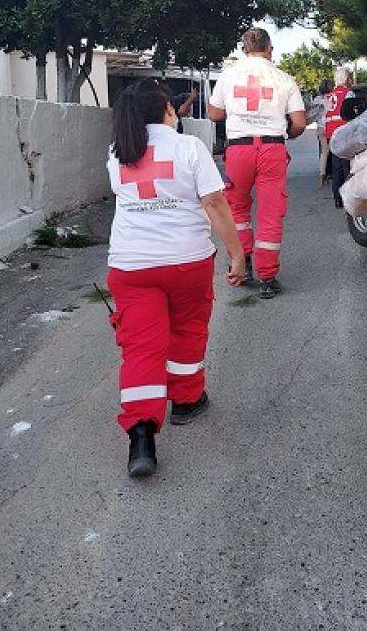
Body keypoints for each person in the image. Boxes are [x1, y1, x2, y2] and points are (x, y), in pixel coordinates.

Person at [106, 80, 246, 478]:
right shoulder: (188, 148)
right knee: (186, 330)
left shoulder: (117, 153)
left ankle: (141, 436)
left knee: (140, 348)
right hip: (186, 262)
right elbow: (215, 203)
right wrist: (237, 253)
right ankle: (186, 400)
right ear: (169, 109)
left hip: (131, 267)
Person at [208, 27, 307, 299]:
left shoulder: (229, 75)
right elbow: (299, 123)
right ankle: (267, 277)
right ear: (270, 48)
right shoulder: (284, 78)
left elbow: (214, 113)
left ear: (243, 50)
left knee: (237, 209)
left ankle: (243, 263)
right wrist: (287, 132)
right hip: (272, 149)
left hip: (239, 149)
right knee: (270, 213)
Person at [323, 66, 356, 209]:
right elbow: (353, 114)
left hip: (332, 133)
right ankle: (348, 196)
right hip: (345, 132)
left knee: (336, 167)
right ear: (346, 79)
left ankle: (337, 198)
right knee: (347, 166)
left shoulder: (329, 96)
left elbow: (326, 116)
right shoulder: (349, 94)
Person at [310, 80, 331, 187]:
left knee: (324, 152)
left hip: (320, 127)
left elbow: (312, 114)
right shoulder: (332, 98)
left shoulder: (317, 100)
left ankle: (322, 173)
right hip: (331, 125)